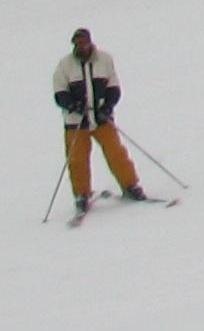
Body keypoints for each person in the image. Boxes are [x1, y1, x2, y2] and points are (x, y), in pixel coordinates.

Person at [53, 28, 145, 212]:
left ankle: (130, 186)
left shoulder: (104, 60)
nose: (80, 46)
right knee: (77, 160)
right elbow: (59, 93)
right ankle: (82, 195)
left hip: (101, 119)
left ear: (90, 42)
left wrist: (108, 106)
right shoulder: (65, 65)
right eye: (77, 43)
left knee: (116, 153)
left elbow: (113, 87)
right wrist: (73, 105)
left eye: (83, 42)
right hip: (76, 123)